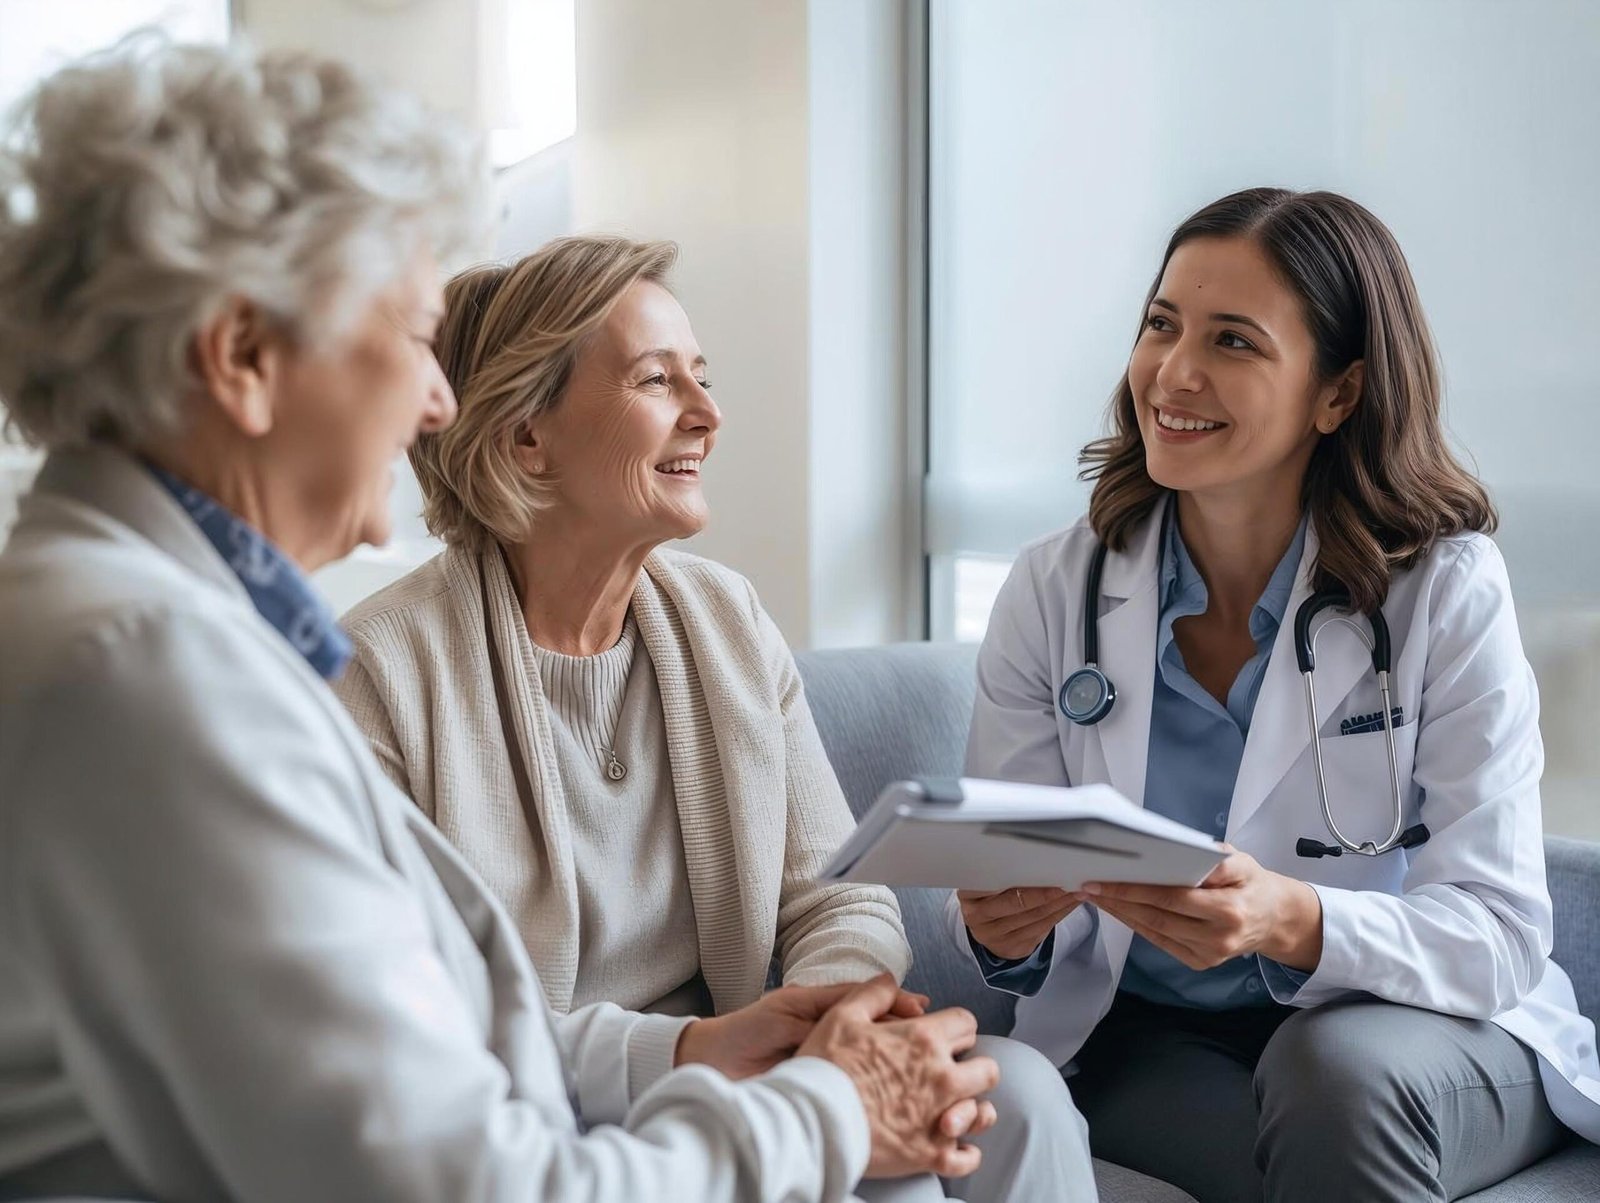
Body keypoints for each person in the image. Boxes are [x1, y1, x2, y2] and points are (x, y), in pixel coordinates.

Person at [0, 38, 1003, 1202]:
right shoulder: (153, 677)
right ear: (244, 355)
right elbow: (473, 1185)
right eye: (413, 335)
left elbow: (433, 1038)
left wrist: (752, 1058)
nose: (436, 398)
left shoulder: (138, 629)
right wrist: (826, 1112)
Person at [334, 235, 1099, 1202]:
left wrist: (840, 1023)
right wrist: (692, 1049)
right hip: (546, 1117)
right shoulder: (380, 672)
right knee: (897, 1176)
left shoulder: (724, 618)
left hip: (748, 1068)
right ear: (527, 436)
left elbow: (841, 894)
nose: (709, 413)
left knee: (1015, 1090)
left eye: (702, 376)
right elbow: (428, 1024)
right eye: (659, 381)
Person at [952, 187, 1600, 1203]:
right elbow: (1027, 902)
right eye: (1160, 325)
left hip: (1421, 1024)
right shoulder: (1055, 587)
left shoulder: (1442, 590)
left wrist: (1290, 922)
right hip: (1155, 1038)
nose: (1173, 371)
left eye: (1234, 342)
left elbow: (1500, 937)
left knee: (1329, 1077)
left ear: (1336, 394)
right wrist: (1002, 931)